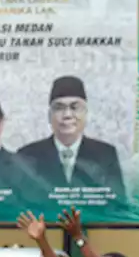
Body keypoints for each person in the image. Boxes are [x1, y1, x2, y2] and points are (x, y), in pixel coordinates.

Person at [16, 76, 125, 207]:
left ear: (85, 113)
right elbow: (19, 206)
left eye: (75, 107)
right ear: (49, 115)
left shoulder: (105, 154)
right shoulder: (27, 155)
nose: (67, 115)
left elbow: (117, 206)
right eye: (59, 108)